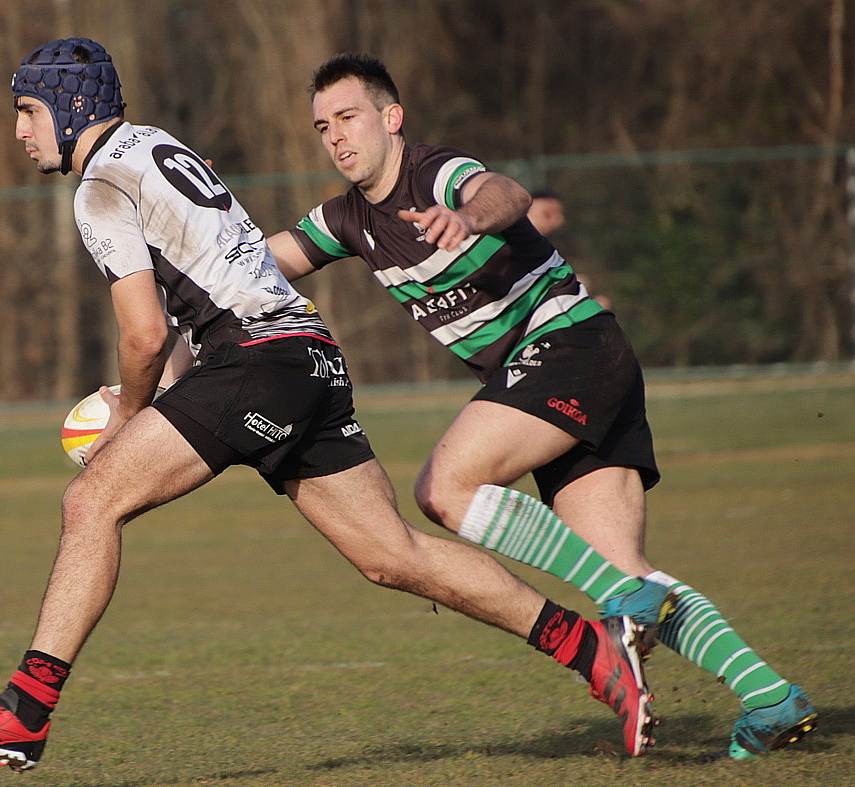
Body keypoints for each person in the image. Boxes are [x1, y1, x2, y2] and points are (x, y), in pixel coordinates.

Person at [0, 38, 659, 773]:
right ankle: (595, 653)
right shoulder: (154, 146)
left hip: (256, 362)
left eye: (27, 111)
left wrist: (131, 413)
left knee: (91, 500)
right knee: (390, 555)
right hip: (307, 357)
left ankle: (25, 710)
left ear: (70, 109)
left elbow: (141, 333)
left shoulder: (100, 185)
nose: (19, 130)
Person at [267, 53, 817, 760]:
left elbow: (506, 192)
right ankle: (770, 695)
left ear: (390, 118)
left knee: (445, 487)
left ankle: (623, 595)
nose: (336, 135)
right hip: (584, 364)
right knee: (629, 570)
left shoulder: (433, 173)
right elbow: (260, 260)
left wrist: (464, 218)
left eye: (347, 116)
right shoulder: (344, 219)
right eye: (322, 126)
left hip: (569, 345)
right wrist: (192, 244)